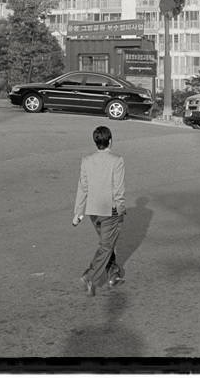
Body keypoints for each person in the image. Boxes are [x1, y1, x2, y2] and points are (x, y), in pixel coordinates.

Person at [72, 125, 126, 296]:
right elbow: (118, 189)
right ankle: (90, 276)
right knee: (107, 246)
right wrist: (121, 209)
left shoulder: (87, 160)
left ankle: (114, 274)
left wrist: (78, 212)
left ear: (96, 142)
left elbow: (83, 187)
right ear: (110, 141)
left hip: (93, 211)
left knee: (107, 242)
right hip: (110, 210)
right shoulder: (117, 160)